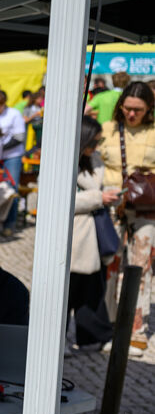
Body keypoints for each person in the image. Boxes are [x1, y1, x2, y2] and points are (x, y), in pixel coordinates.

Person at [98, 81, 155, 355]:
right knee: (110, 265)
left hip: (145, 207)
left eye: (139, 110)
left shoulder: (154, 131)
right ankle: (108, 325)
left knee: (141, 267)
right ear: (121, 106)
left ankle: (136, 328)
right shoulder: (107, 129)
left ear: (149, 110)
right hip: (112, 204)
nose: (132, 114)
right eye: (128, 108)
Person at [70, 117, 117, 351]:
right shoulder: (65, 163)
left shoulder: (95, 161)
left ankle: (93, 336)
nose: (96, 146)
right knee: (67, 291)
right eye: (93, 141)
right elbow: (60, 201)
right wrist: (98, 198)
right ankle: (59, 339)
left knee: (91, 290)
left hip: (93, 236)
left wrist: (107, 194)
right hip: (74, 237)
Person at [0, 89, 27, 235]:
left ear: (5, 103)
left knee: (11, 189)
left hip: (12, 156)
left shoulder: (14, 114)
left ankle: (10, 223)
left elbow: (19, 138)